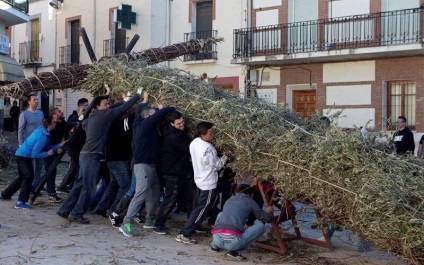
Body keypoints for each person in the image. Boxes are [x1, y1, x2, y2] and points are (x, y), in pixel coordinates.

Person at [57, 90, 142, 224]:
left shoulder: (91, 116)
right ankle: (77, 213)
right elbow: (121, 109)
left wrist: (121, 99)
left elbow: (114, 107)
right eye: (105, 104)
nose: (108, 106)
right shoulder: (104, 115)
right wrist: (137, 96)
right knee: (89, 187)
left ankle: (64, 209)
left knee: (80, 184)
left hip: (85, 154)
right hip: (92, 155)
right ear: (97, 106)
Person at [118, 93, 175, 237]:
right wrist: (168, 108)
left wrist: (146, 100)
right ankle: (126, 223)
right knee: (140, 194)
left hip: (152, 165)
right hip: (143, 165)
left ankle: (150, 220)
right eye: (152, 110)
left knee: (155, 192)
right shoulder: (143, 125)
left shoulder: (146, 125)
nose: (154, 111)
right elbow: (159, 115)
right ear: (146, 115)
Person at [175, 121, 228, 244]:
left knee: (198, 206)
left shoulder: (195, 142)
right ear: (203, 134)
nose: (212, 135)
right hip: (208, 182)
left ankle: (194, 227)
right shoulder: (209, 149)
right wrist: (225, 156)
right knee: (203, 208)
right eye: (210, 133)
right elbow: (217, 166)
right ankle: (185, 233)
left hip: (199, 178)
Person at [0, 117, 65, 209]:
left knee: (22, 177)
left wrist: (59, 145)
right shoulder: (42, 136)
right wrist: (47, 154)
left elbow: (48, 147)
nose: (55, 124)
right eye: (54, 123)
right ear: (49, 126)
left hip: (21, 155)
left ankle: (5, 195)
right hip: (23, 157)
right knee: (28, 176)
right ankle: (20, 202)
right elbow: (35, 154)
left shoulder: (43, 131)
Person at [210, 183, 274, 260]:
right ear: (250, 194)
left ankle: (214, 246)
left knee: (221, 214)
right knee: (261, 226)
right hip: (233, 243)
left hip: (217, 239)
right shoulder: (249, 201)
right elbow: (267, 219)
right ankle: (235, 251)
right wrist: (268, 212)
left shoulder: (229, 200)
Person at [153, 111, 192, 235]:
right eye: (179, 123)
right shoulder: (174, 137)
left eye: (183, 121)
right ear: (172, 123)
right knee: (171, 198)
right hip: (172, 171)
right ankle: (158, 224)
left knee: (185, 196)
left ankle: (192, 223)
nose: (182, 124)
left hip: (178, 169)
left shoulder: (174, 132)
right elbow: (189, 147)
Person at [32, 108, 68, 203]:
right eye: (58, 112)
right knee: (50, 171)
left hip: (55, 149)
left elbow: (66, 134)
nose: (61, 112)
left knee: (51, 171)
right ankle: (50, 193)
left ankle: (35, 187)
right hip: (47, 150)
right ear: (53, 115)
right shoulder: (49, 124)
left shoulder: (63, 123)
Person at [57, 104, 87, 193]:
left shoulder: (87, 119)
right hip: (74, 148)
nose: (85, 112)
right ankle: (76, 188)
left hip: (81, 148)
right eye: (83, 110)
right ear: (78, 111)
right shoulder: (73, 120)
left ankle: (62, 186)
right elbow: (72, 125)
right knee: (79, 169)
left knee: (73, 169)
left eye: (86, 110)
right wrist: (80, 122)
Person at [18, 94, 44, 192]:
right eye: (34, 100)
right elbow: (20, 130)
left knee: (39, 165)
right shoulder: (24, 114)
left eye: (37, 99)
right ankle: (27, 185)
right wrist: (21, 144)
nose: (36, 101)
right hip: (29, 144)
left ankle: (35, 186)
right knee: (29, 166)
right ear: (29, 102)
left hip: (40, 143)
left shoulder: (41, 113)